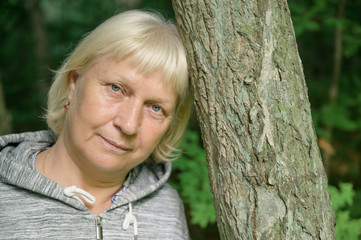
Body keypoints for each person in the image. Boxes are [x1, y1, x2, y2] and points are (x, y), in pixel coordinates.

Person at [0, 9, 192, 239]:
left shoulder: (167, 210)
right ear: (74, 84)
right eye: (116, 88)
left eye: (156, 108)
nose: (129, 125)